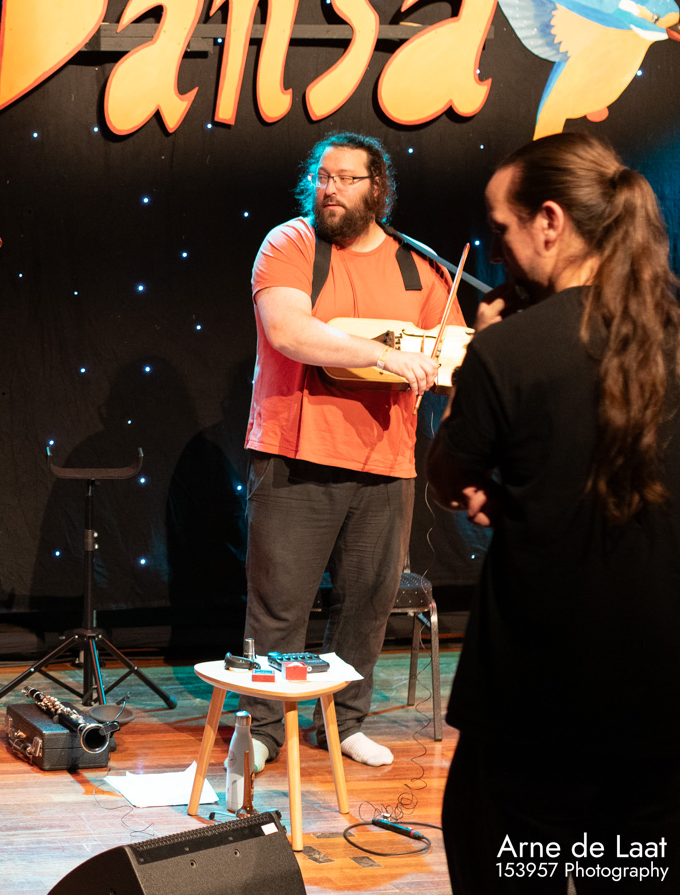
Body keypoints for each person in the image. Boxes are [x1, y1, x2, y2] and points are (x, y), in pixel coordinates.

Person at [428, 133, 680, 893]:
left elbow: (449, 474)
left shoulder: (508, 350)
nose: (497, 251)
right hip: (660, 697)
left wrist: (482, 361)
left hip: (537, 696)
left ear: (549, 221)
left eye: (501, 229)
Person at [242, 131, 464, 772]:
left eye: (345, 179)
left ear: (378, 189)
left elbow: (450, 354)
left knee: (367, 602)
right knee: (279, 605)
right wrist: (383, 355)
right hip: (296, 453)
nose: (330, 189)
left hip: (385, 461)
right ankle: (262, 728)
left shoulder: (419, 267)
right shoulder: (290, 244)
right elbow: (289, 331)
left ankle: (344, 723)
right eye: (323, 176)